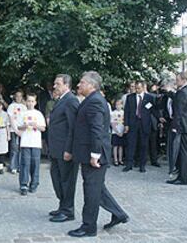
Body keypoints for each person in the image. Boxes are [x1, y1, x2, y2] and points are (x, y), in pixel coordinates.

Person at [68, 71, 129, 238]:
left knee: (91, 191)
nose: (78, 85)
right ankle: (119, 214)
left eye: (81, 82)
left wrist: (95, 155)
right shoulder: (92, 100)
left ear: (91, 85)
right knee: (97, 188)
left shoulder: (94, 102)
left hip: (94, 155)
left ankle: (89, 227)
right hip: (91, 153)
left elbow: (97, 130)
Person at [48, 74, 80, 223]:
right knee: (57, 179)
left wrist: (69, 150)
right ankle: (62, 206)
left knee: (67, 181)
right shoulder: (61, 100)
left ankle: (68, 211)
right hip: (56, 148)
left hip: (64, 150)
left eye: (57, 84)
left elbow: (74, 128)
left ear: (66, 85)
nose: (55, 86)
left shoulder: (71, 100)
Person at [123, 80, 157, 173]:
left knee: (144, 145)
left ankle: (142, 165)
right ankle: (129, 164)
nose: (136, 90)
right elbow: (126, 111)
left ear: (143, 87)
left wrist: (160, 118)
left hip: (144, 124)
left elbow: (153, 110)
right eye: (136, 88)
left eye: (138, 88)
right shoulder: (130, 97)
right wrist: (126, 124)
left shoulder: (149, 98)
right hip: (132, 123)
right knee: (131, 144)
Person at [167, 72, 187, 185]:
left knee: (183, 152)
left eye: (177, 80)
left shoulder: (182, 92)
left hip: (184, 126)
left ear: (184, 80)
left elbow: (178, 112)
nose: (176, 82)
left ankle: (183, 178)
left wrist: (175, 126)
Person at [18, 93, 46, 195]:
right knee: (25, 164)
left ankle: (34, 184)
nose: (30, 103)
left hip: (36, 143)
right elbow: (18, 127)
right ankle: (23, 185)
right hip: (25, 142)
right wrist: (24, 126)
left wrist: (36, 125)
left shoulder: (38, 114)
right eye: (28, 101)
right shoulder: (23, 113)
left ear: (35, 102)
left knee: (35, 164)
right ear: (25, 102)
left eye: (32, 101)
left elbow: (43, 128)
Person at [7, 90, 27, 174]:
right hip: (14, 129)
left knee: (21, 148)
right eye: (17, 96)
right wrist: (15, 130)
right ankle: (13, 166)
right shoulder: (11, 106)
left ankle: (20, 166)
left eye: (20, 96)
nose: (18, 97)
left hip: (22, 129)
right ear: (15, 97)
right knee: (14, 149)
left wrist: (23, 128)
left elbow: (26, 118)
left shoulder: (24, 107)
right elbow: (10, 118)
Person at [111, 99, 125, 166]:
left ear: (122, 105)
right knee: (115, 146)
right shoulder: (113, 113)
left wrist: (122, 132)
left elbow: (125, 123)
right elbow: (112, 124)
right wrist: (117, 132)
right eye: (116, 105)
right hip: (115, 132)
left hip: (122, 131)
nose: (118, 106)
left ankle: (120, 159)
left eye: (119, 104)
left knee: (121, 146)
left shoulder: (124, 113)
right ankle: (115, 160)